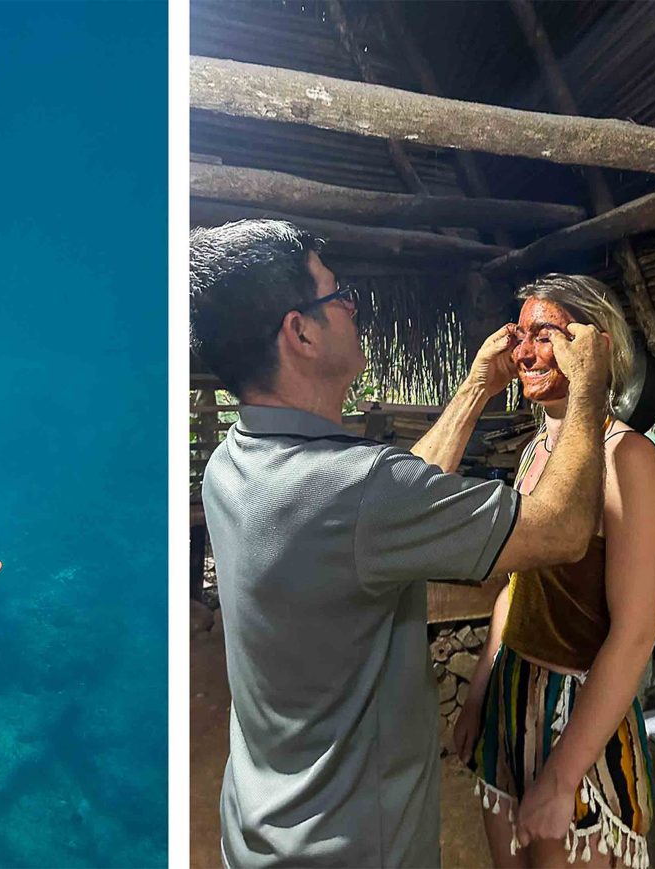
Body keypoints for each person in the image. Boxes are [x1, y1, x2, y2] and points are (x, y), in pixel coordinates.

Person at [189, 219, 614, 868]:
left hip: (260, 831)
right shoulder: (359, 489)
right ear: (299, 333)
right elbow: (559, 529)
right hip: (356, 849)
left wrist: (474, 388)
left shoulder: (232, 464)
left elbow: (386, 506)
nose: (352, 305)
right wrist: (590, 389)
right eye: (336, 295)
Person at [452, 275, 655, 869]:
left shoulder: (628, 459)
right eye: (519, 335)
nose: (522, 352)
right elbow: (518, 589)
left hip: (579, 712)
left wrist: (562, 776)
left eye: (543, 335)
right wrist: (479, 696)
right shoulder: (537, 451)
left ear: (593, 346)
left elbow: (634, 634)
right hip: (513, 693)